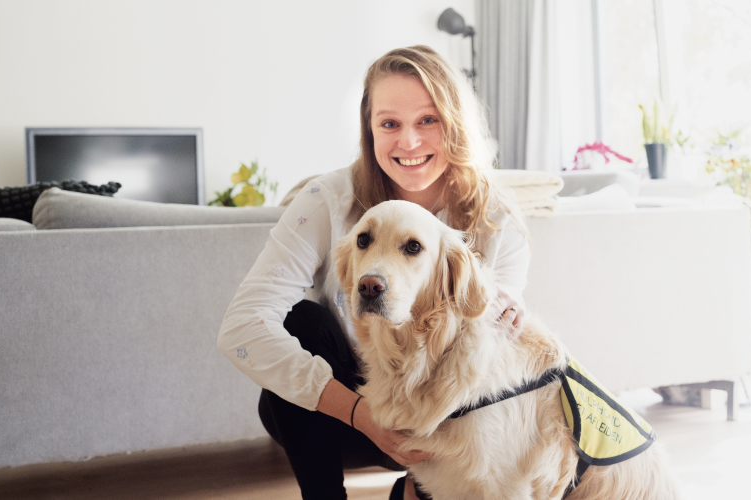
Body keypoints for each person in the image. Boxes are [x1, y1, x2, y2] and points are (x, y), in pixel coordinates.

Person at [217, 45, 530, 500]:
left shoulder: (496, 218)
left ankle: (416, 485)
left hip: (444, 419)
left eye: (428, 120)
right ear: (369, 130)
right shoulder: (326, 200)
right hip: (339, 414)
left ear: (455, 124)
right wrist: (363, 415)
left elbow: (490, 366)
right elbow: (241, 329)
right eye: (390, 124)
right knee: (304, 321)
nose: (409, 142)